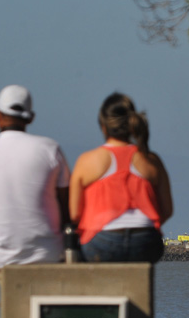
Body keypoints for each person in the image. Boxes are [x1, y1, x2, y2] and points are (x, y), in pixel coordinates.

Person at [0, 85, 71, 268]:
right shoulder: (50, 149)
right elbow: (65, 208)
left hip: (4, 259)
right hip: (48, 254)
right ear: (31, 117)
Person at [69, 92, 173, 262]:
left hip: (102, 241)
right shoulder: (151, 160)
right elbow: (167, 211)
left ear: (103, 125)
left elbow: (74, 215)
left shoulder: (87, 161)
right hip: (146, 241)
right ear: (133, 123)